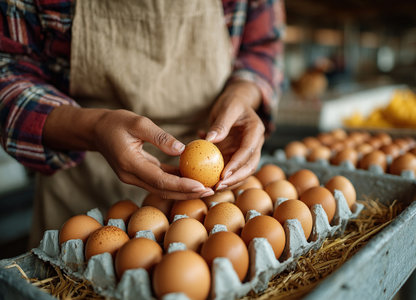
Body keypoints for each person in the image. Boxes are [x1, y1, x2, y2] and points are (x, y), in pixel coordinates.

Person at [0, 0, 284, 247]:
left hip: (212, 171)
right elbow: (7, 69)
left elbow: (263, 47)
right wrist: (94, 128)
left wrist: (243, 93)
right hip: (85, 168)